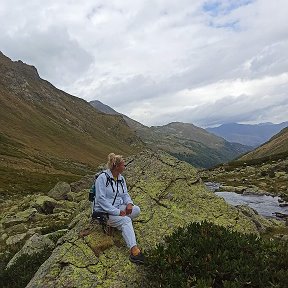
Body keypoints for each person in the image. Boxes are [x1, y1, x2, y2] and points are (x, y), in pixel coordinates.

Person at [93, 153, 145, 264]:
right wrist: (117, 212)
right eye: (123, 165)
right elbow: (101, 200)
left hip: (116, 208)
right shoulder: (102, 178)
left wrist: (129, 204)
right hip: (103, 212)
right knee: (126, 220)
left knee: (137, 210)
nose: (125, 167)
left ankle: (117, 224)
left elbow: (125, 194)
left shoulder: (121, 178)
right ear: (116, 166)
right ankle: (134, 251)